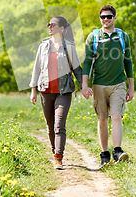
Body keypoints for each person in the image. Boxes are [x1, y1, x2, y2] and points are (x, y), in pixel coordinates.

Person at [81, 5, 134, 167]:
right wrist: (84, 84)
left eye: (109, 16)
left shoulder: (123, 36)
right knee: (102, 119)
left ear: (114, 18)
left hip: (119, 83)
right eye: (103, 17)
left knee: (116, 116)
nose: (106, 19)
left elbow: (128, 62)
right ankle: (105, 154)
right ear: (100, 19)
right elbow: (88, 61)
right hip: (99, 84)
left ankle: (117, 151)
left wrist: (131, 87)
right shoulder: (94, 37)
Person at [30, 16, 83, 170]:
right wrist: (33, 90)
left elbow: (77, 69)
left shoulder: (69, 46)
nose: (49, 27)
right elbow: (36, 68)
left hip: (64, 91)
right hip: (45, 90)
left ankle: (59, 156)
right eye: (48, 24)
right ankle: (54, 151)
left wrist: (84, 86)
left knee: (59, 125)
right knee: (50, 125)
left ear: (61, 28)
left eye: (52, 25)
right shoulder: (43, 46)